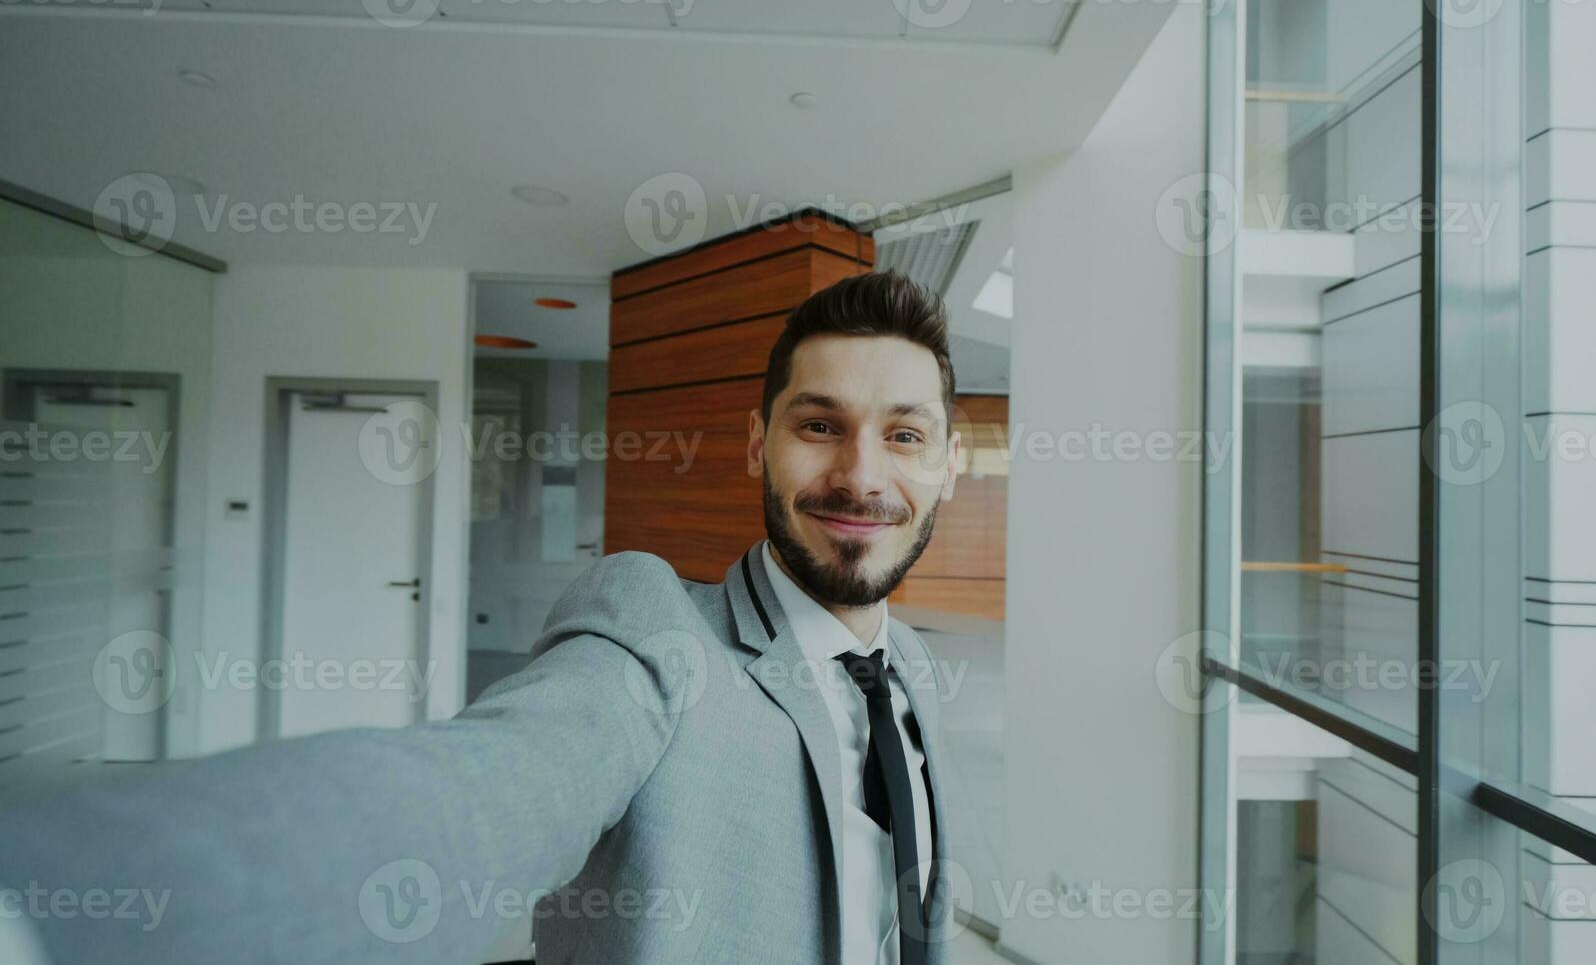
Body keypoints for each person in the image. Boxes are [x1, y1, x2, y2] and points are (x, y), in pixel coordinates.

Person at [0, 270, 967, 965]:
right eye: (818, 424)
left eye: (906, 435)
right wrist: (46, 921)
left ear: (948, 467)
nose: (862, 475)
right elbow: (485, 789)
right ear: (758, 444)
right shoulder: (659, 636)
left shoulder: (913, 669)